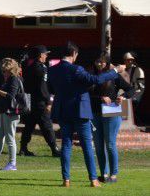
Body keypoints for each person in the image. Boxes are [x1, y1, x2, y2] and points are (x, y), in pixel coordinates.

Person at [47, 41, 122, 187]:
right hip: (80, 110)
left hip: (63, 109)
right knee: (87, 145)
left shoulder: (52, 70)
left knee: (66, 145)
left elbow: (52, 89)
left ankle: (66, 179)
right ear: (74, 54)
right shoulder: (77, 69)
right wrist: (114, 72)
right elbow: (95, 80)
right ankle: (93, 179)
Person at [89, 55, 134, 183]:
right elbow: (86, 93)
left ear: (107, 63)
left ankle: (113, 174)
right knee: (98, 145)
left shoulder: (113, 76)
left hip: (112, 112)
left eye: (102, 62)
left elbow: (130, 89)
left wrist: (123, 97)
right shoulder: (90, 76)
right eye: (97, 61)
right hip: (95, 113)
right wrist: (100, 98)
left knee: (110, 144)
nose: (99, 64)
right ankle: (104, 174)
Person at [20, 45, 60, 157]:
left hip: (30, 100)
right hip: (40, 102)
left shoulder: (29, 67)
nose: (46, 56)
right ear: (41, 55)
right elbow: (42, 86)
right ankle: (54, 149)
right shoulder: (41, 68)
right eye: (45, 54)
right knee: (47, 125)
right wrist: (49, 101)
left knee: (29, 125)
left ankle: (23, 148)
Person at [0, 58, 24, 171]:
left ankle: (12, 163)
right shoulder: (9, 79)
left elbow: (10, 96)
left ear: (11, 70)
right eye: (3, 71)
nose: (3, 73)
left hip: (11, 113)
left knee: (10, 138)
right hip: (5, 112)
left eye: (5, 71)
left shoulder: (14, 79)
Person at [123, 52, 145, 124]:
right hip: (125, 93)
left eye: (131, 60)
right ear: (124, 61)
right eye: (127, 60)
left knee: (131, 106)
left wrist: (135, 97)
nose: (130, 61)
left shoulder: (138, 70)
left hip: (135, 93)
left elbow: (141, 87)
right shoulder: (123, 69)